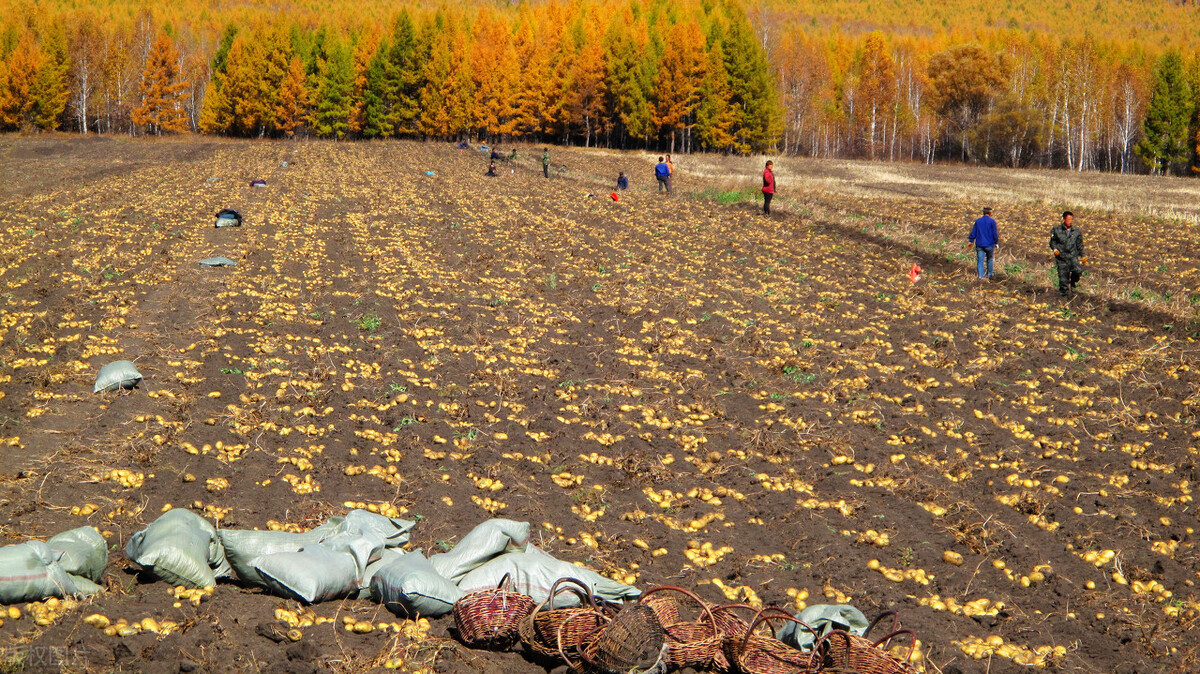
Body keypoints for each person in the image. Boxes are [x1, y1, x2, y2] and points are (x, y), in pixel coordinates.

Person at [1049, 210, 1086, 297]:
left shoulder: (1076, 232)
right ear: (1064, 219)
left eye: (1071, 219)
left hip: (1072, 256)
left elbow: (1079, 245)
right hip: (1061, 258)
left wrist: (1083, 256)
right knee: (1063, 280)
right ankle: (1064, 297)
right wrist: (1055, 250)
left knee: (1078, 271)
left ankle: (1073, 282)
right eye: (1068, 219)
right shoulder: (1056, 230)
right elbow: (1052, 242)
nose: (1070, 221)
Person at [968, 206, 999, 279]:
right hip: (989, 244)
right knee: (990, 259)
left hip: (980, 244)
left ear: (983, 212)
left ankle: (980, 277)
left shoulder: (978, 221)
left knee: (980, 261)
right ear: (990, 213)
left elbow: (974, 233)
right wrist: (996, 242)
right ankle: (989, 275)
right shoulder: (992, 222)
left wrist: (971, 241)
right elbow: (995, 234)